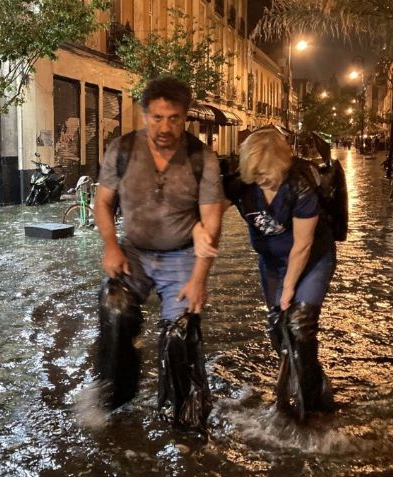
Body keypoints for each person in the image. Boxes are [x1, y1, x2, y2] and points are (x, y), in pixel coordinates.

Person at [92, 76, 225, 438]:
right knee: (114, 308)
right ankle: (116, 398)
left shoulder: (202, 158)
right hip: (133, 251)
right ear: (144, 115)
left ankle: (183, 422)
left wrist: (199, 280)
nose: (165, 127)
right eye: (157, 118)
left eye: (175, 119)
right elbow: (102, 202)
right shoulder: (121, 150)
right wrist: (111, 246)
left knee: (181, 336)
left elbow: (212, 223)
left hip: (182, 254)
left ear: (186, 118)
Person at [195, 129, 336, 419]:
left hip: (312, 259)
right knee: (278, 327)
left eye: (267, 174)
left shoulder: (300, 187)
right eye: (255, 174)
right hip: (272, 262)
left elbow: (303, 245)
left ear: (281, 165)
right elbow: (210, 212)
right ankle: (301, 375)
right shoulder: (241, 185)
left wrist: (288, 290)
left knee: (300, 322)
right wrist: (198, 229)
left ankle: (315, 402)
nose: (262, 180)